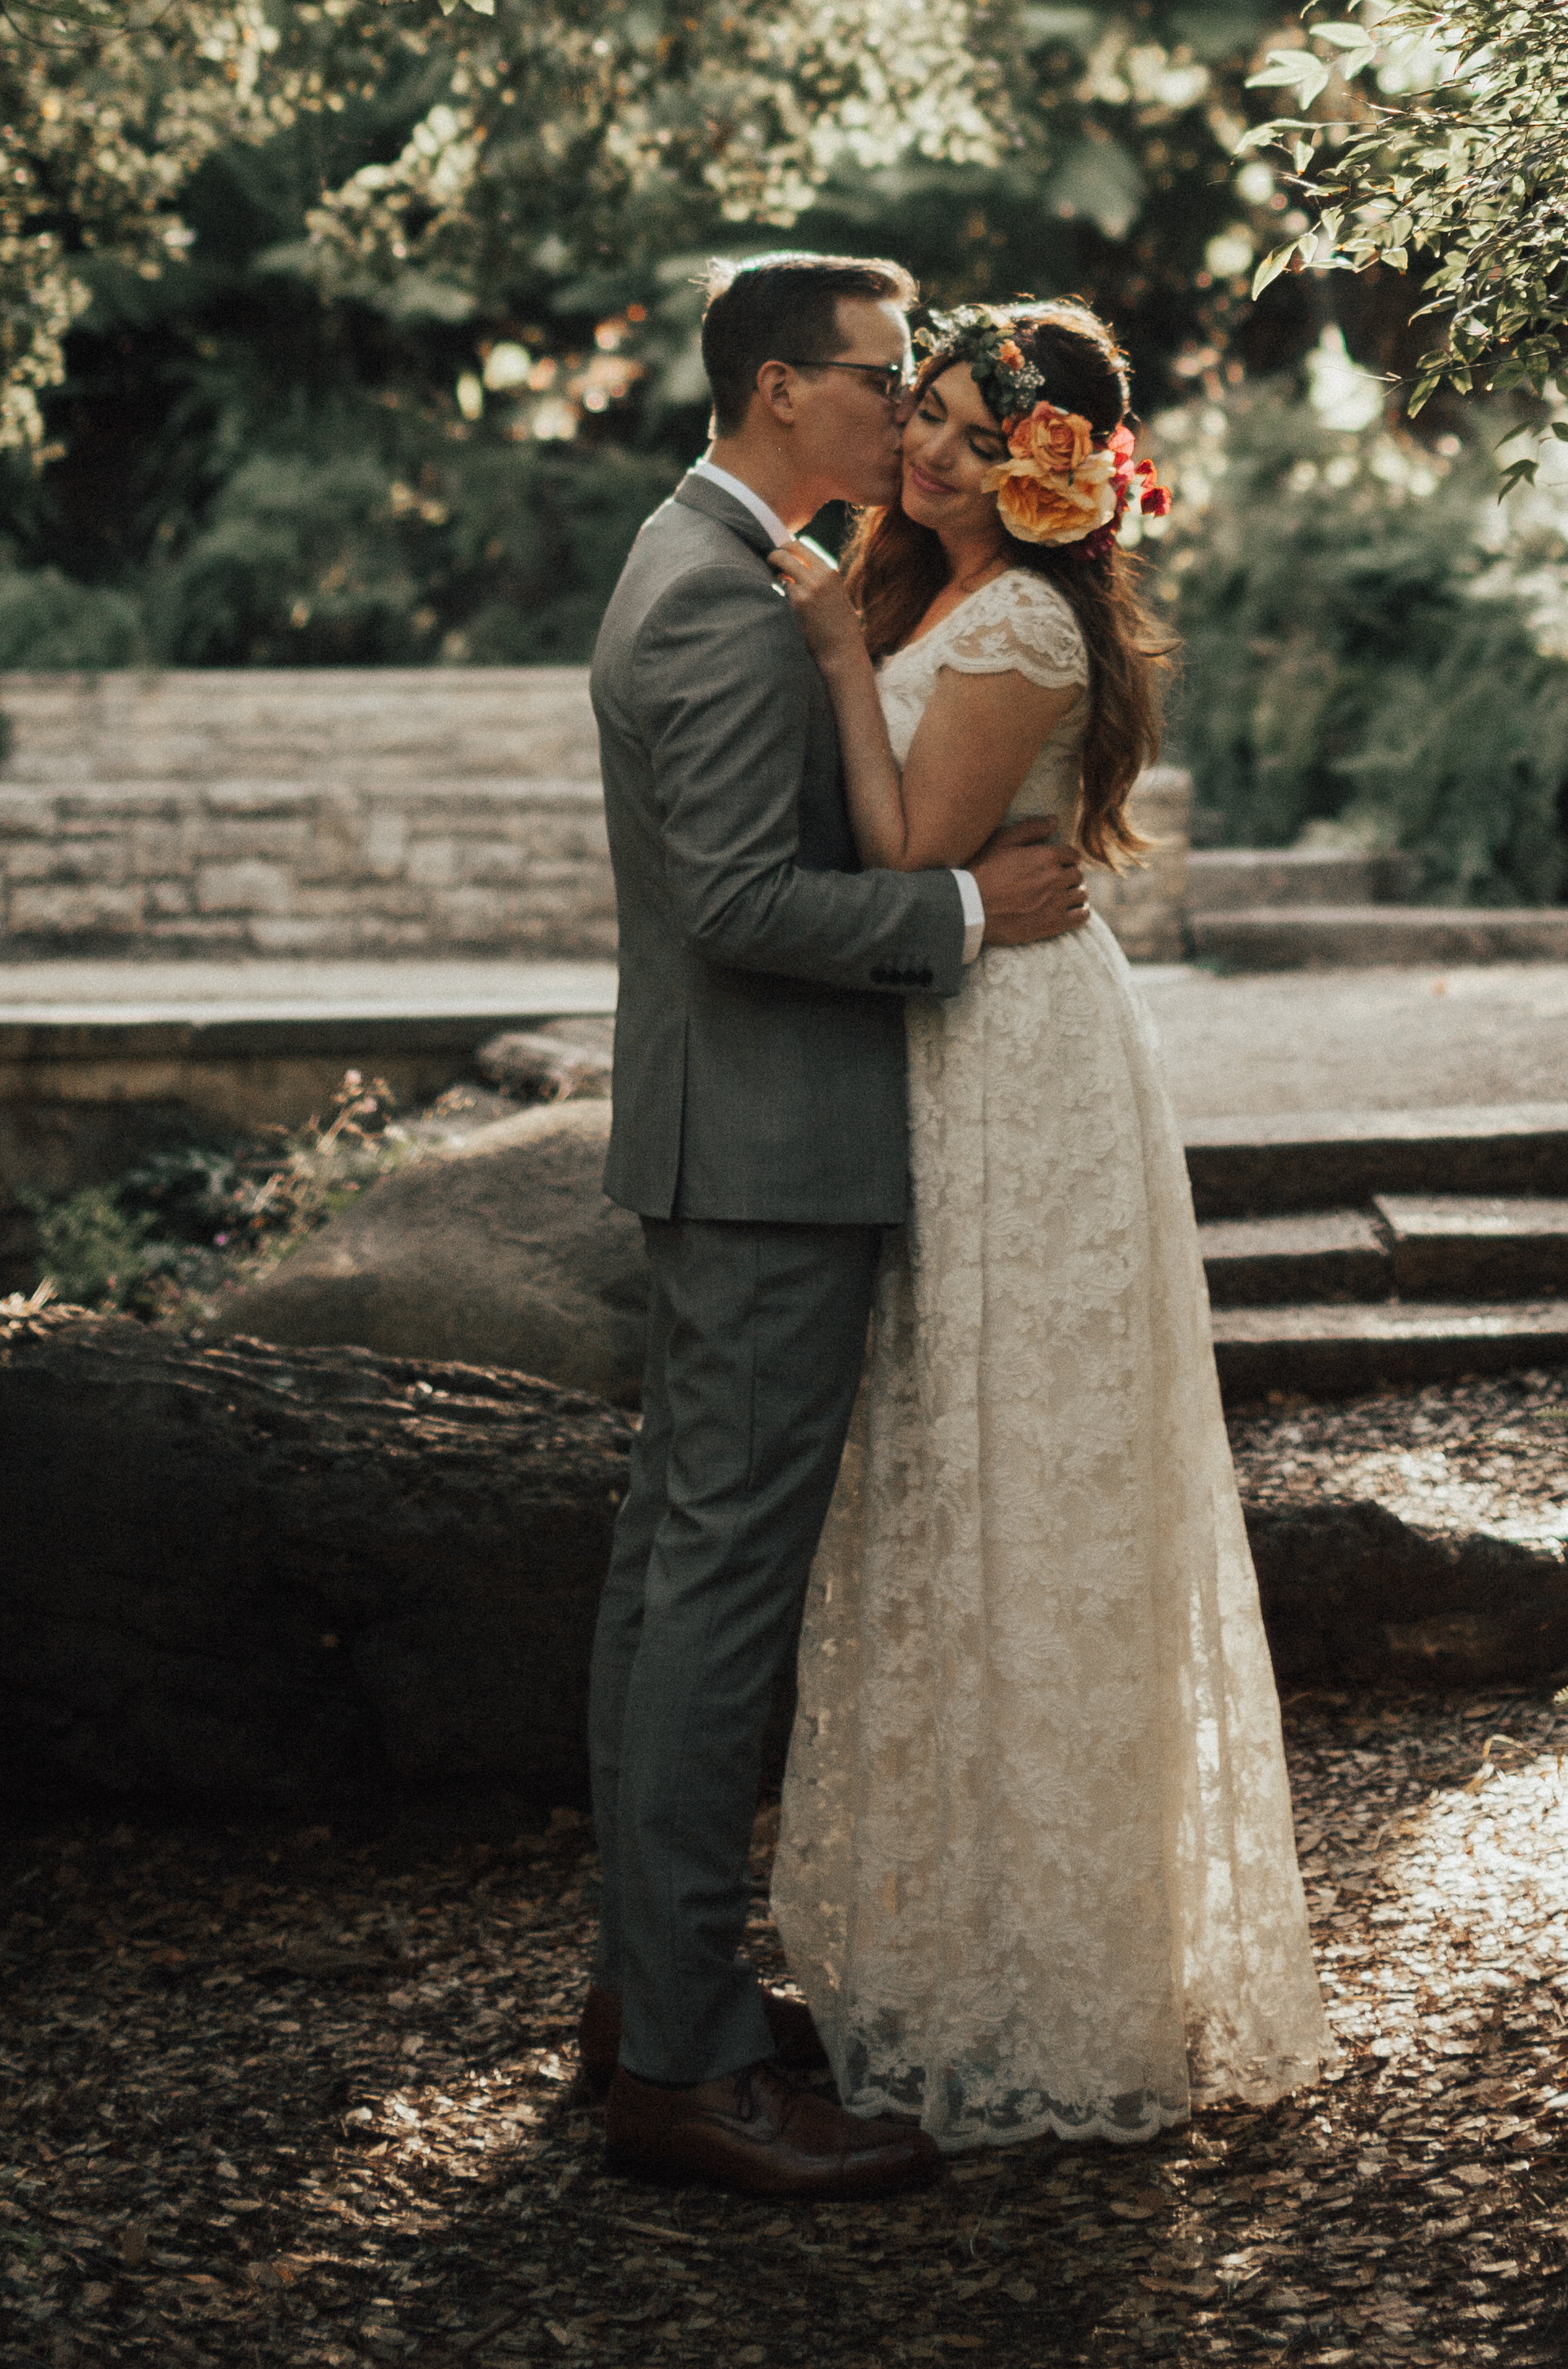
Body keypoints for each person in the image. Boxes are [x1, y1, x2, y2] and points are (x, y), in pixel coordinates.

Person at [765, 297, 1333, 2152]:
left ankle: (1058, 1979)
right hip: (941, 1048)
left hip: (1015, 1068)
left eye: (961, 428)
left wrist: (842, 655)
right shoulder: (927, 585)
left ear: (1047, 465)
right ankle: (934, 1955)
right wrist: (860, 620)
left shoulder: (1005, 619)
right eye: (916, 414)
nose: (924, 450)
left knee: (1034, 1479)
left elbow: (915, 853)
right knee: (945, 1477)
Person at [582, 250, 1096, 2203]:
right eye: (887, 380)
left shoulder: (727, 560)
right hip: (771, 1150)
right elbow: (734, 902)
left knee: (670, 1586)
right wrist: (966, 919)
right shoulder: (716, 600)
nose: (911, 412)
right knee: (717, 1601)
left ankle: (652, 2003)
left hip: (741, 1141)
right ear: (786, 389)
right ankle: (690, 2069)